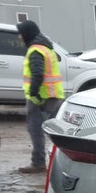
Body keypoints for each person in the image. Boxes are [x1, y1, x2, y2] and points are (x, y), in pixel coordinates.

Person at [16, 20, 64, 174]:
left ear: (27, 33)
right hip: (53, 94)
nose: (19, 37)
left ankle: (38, 163)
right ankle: (66, 159)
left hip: (40, 97)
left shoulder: (35, 50)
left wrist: (34, 92)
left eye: (21, 33)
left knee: (35, 129)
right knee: (57, 130)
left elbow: (37, 73)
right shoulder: (46, 47)